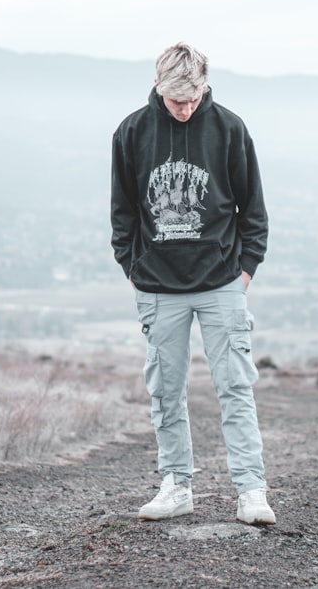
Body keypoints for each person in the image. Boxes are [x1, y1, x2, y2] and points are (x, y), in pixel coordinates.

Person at [110, 42, 274, 525]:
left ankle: (251, 490)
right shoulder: (132, 132)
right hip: (159, 287)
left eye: (193, 99)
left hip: (222, 282)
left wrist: (244, 271)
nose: (184, 110)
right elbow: (123, 212)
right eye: (176, 100)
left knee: (235, 387)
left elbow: (253, 210)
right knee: (165, 390)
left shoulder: (228, 128)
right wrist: (134, 268)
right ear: (159, 87)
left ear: (204, 87)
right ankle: (176, 485)